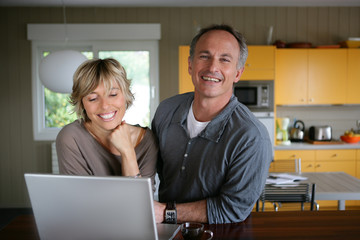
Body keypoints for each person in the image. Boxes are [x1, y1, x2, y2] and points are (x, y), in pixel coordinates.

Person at [152, 24, 272, 224]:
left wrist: (166, 212)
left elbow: (233, 209)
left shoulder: (251, 137)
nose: (212, 67)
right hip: (166, 232)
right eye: (204, 56)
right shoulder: (166, 110)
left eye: (224, 59)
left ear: (237, 73)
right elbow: (150, 168)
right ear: (190, 64)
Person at [56, 58, 158, 187]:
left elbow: (141, 202)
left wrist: (128, 153)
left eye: (113, 94)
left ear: (125, 95)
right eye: (93, 98)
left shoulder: (146, 139)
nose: (104, 106)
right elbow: (79, 200)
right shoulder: (71, 137)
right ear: (82, 103)